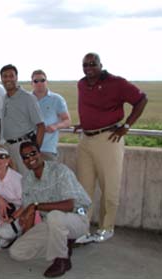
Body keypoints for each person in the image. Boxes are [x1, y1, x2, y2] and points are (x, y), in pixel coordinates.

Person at [74, 53, 148, 244]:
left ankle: (106, 228)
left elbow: (142, 100)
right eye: (85, 64)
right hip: (85, 141)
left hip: (108, 139)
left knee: (109, 187)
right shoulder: (81, 84)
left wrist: (127, 126)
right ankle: (82, 226)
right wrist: (85, 123)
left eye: (93, 64)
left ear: (101, 65)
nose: (89, 67)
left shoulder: (117, 83)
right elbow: (91, 108)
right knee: (83, 189)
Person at [9, 141, 91, 278]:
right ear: (23, 161)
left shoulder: (60, 170)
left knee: (54, 216)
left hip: (77, 219)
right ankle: (63, 244)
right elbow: (29, 212)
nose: (30, 158)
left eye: (33, 153)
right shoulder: (26, 180)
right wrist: (26, 235)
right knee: (17, 252)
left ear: (40, 153)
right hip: (51, 224)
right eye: (25, 157)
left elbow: (69, 205)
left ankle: (61, 259)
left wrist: (36, 206)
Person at [0, 64, 45, 175]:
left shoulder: (28, 98)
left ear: (16, 77)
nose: (8, 79)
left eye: (11, 76)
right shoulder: (4, 98)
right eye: (5, 76)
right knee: (14, 184)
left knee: (28, 181)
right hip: (8, 147)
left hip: (24, 147)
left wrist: (35, 151)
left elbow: (41, 126)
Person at [31, 69, 71, 161]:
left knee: (49, 174)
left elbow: (67, 121)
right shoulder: (27, 99)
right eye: (36, 81)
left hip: (48, 149)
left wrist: (56, 126)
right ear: (32, 83)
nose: (39, 83)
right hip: (29, 149)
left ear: (47, 81)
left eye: (42, 80)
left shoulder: (57, 99)